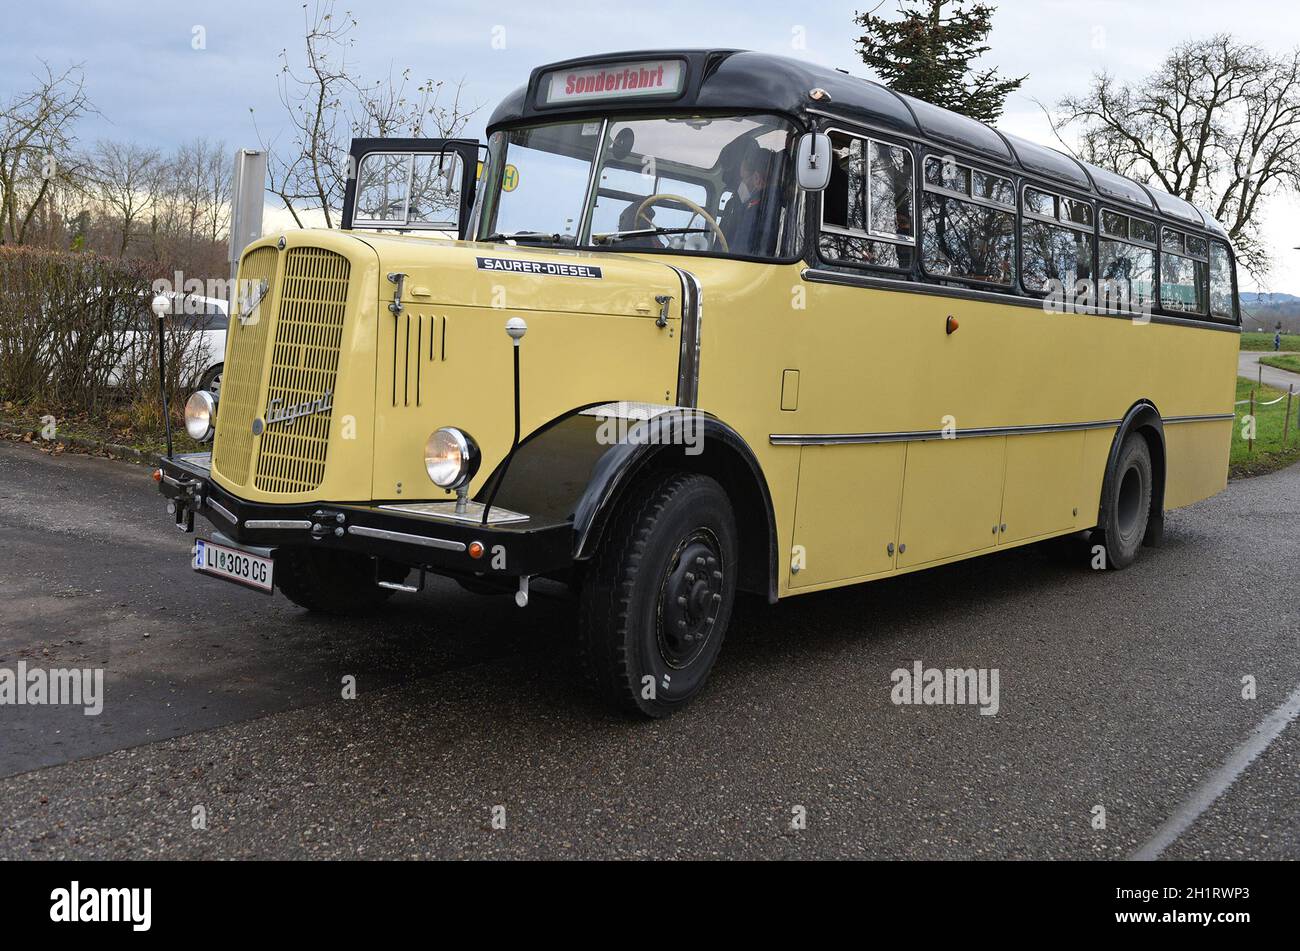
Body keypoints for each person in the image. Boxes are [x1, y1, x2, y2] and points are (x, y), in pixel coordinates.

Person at [720, 141, 778, 256]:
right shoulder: (735, 204)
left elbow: (739, 251)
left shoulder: (757, 209)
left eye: (744, 179)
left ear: (757, 178)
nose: (741, 186)